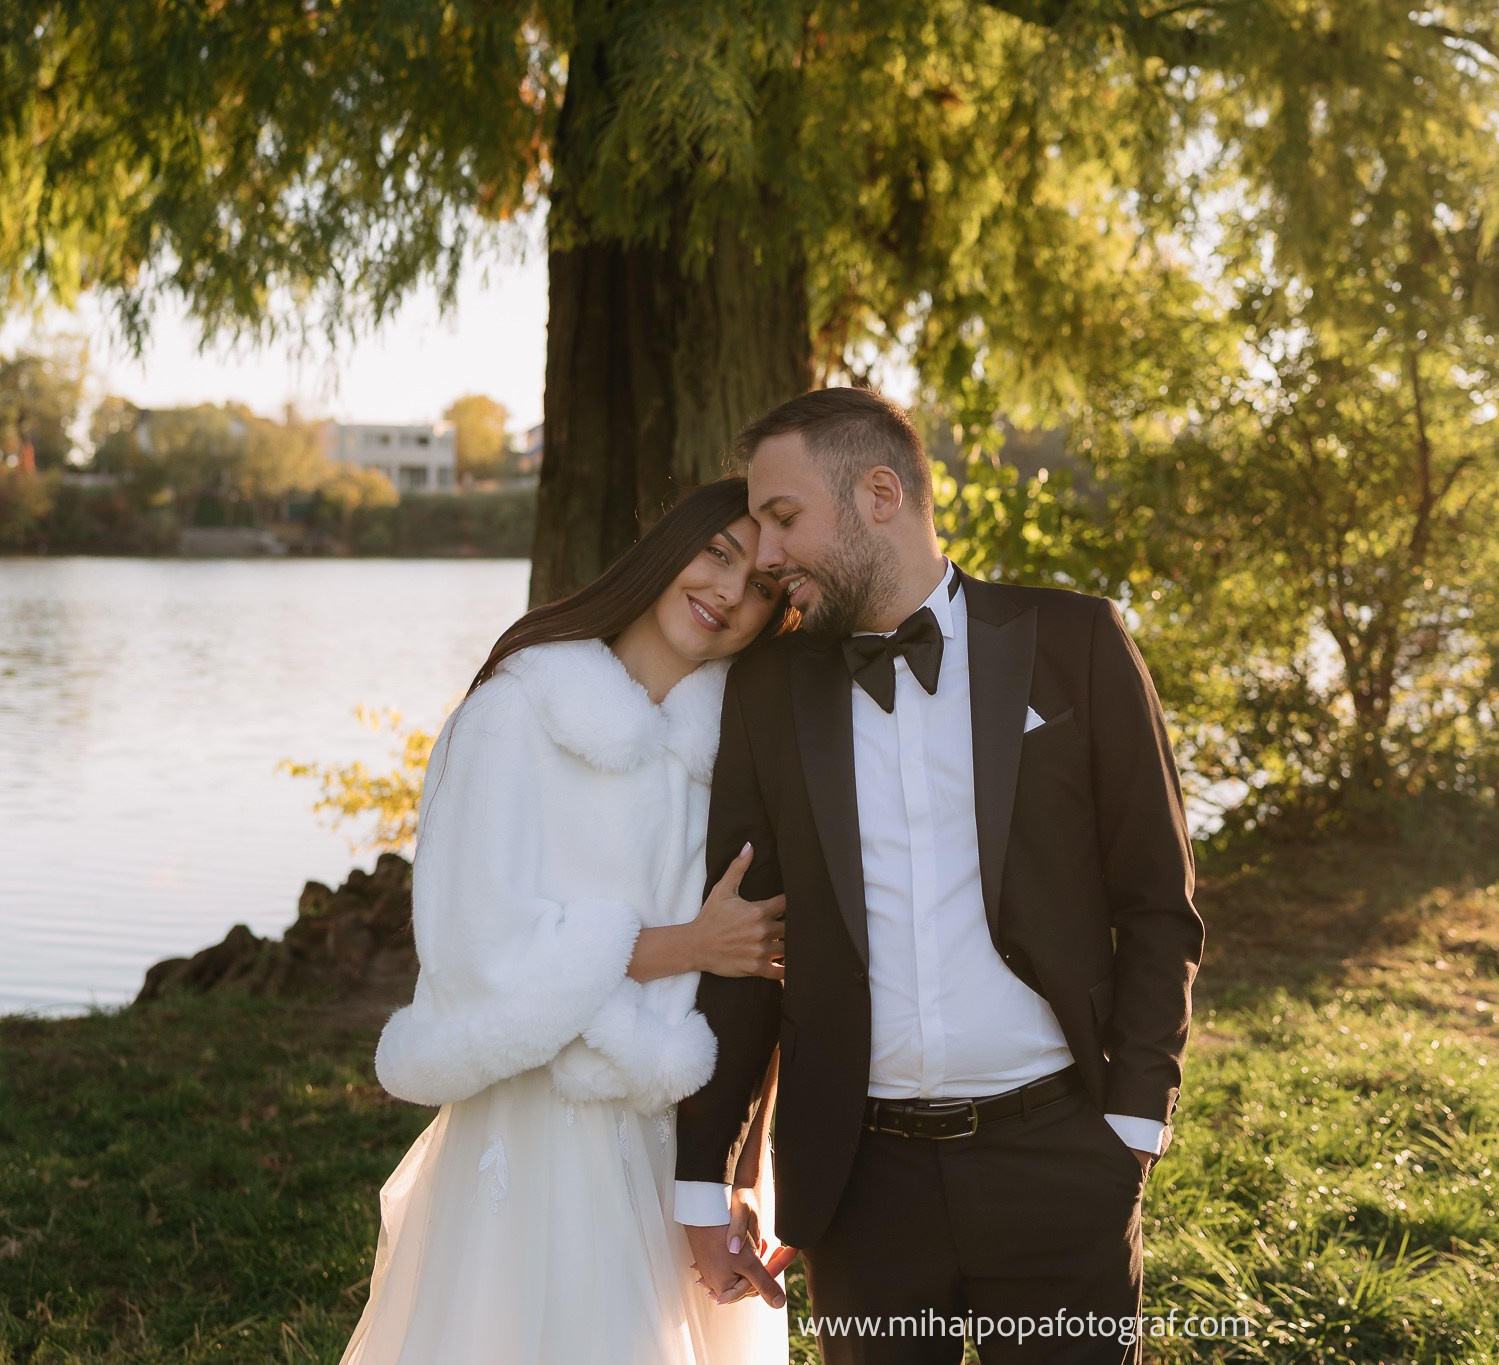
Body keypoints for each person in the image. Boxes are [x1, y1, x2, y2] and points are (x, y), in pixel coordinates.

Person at [673, 389, 1204, 1363]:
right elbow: (748, 945)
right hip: (858, 1187)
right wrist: (705, 1179)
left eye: (783, 518)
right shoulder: (767, 689)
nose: (767, 556)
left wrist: (1133, 1126)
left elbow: (1157, 903)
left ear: (880, 495)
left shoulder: (1076, 642)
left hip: (1059, 1159)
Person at [343, 477, 799, 1365]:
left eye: (761, 586)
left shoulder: (733, 752)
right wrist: (686, 946)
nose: (727, 592)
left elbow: (761, 983)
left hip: (681, 1130)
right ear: (668, 547)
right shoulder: (517, 711)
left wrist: (738, 1165)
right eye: (716, 553)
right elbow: (475, 946)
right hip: (543, 1124)